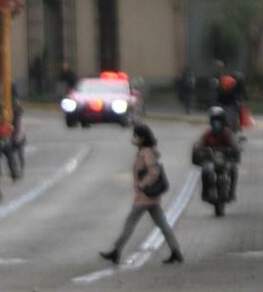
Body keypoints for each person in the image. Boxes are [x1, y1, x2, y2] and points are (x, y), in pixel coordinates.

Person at [100, 124, 183, 265]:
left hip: (144, 197)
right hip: (152, 197)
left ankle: (116, 251)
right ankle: (176, 251)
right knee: (162, 224)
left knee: (130, 223)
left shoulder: (146, 153)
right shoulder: (148, 151)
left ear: (142, 138)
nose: (133, 138)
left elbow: (154, 172)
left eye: (136, 136)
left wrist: (142, 185)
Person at [193, 106, 241, 201]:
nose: (216, 123)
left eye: (218, 120)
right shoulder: (207, 134)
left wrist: (235, 149)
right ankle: (205, 191)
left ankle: (231, 191)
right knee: (205, 170)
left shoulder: (227, 133)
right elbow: (198, 144)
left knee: (233, 168)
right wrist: (198, 149)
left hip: (225, 159)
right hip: (211, 159)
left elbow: (235, 144)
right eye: (214, 120)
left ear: (223, 121)